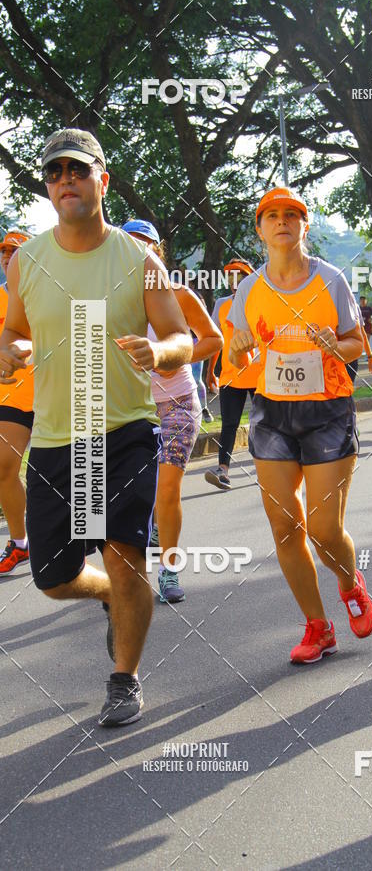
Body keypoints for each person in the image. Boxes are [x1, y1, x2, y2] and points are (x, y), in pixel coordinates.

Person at [0, 129, 192, 726]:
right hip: (58, 438)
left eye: (77, 170)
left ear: (101, 181)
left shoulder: (139, 260)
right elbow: (14, 329)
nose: (66, 181)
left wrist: (160, 353)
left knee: (126, 557)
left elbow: (182, 336)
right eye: (55, 172)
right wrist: (10, 350)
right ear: (48, 187)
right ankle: (107, 593)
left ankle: (124, 678)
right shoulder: (27, 261)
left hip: (125, 430)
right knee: (54, 578)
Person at [228, 186, 372, 663]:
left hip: (327, 411)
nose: (282, 222)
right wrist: (238, 348)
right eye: (272, 215)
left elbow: (356, 344)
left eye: (291, 214)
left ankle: (350, 583)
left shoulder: (330, 280)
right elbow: (236, 358)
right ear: (260, 229)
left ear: (304, 225)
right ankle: (318, 627)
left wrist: (336, 344)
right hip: (272, 414)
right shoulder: (250, 289)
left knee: (324, 530)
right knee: (284, 526)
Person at [123, 220, 223, 602]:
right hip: (133, 409)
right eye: (129, 244)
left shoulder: (178, 294)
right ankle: (145, 538)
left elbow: (214, 339)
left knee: (167, 488)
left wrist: (175, 358)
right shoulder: (111, 300)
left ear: (157, 252)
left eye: (145, 244)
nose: (137, 251)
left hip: (179, 402)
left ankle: (168, 570)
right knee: (136, 492)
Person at [205, 259, 259, 490]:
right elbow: (216, 341)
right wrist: (210, 372)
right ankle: (223, 471)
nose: (234, 280)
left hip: (258, 375)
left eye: (239, 275)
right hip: (230, 375)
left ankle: (267, 468)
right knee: (229, 424)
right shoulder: (221, 304)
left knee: (262, 423)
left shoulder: (259, 302)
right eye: (230, 276)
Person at [0, 230, 34, 574]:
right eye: (4, 252)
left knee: (70, 473)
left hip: (57, 394)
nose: (8, 257)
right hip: (12, 395)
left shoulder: (48, 294)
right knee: (3, 467)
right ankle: (20, 543)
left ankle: (77, 544)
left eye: (15, 251)